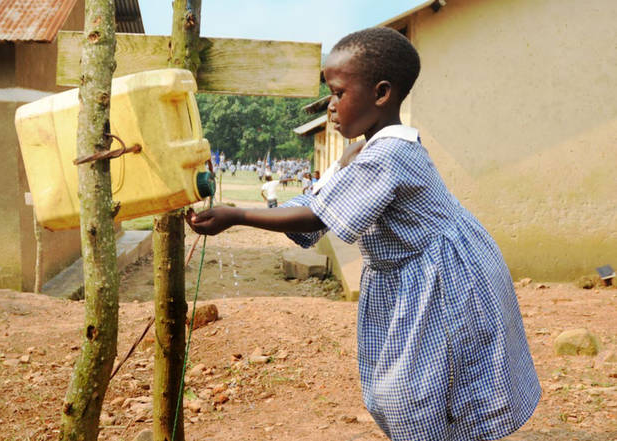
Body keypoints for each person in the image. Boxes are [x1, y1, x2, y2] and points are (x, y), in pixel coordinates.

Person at [187, 26, 540, 441]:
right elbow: (319, 199)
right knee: (420, 384)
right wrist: (332, 171)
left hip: (441, 282)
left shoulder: (389, 153)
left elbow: (315, 216)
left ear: (381, 93)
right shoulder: (368, 150)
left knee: (419, 389)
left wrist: (239, 215)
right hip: (414, 279)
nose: (331, 107)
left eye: (339, 93)